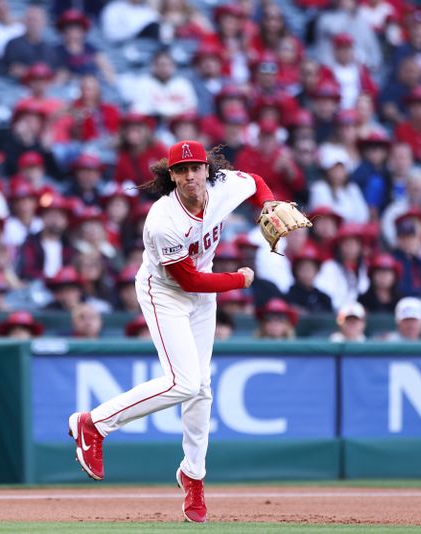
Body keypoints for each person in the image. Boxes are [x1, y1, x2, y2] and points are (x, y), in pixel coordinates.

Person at [67, 139, 273, 525]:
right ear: (172, 176)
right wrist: (240, 280)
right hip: (165, 292)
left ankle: (193, 477)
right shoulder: (163, 222)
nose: (191, 175)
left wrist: (268, 203)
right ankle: (93, 423)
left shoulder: (222, 186)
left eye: (196, 167)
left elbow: (256, 181)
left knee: (202, 388)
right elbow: (189, 281)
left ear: (206, 169)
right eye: (182, 170)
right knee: (183, 384)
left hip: (201, 291)